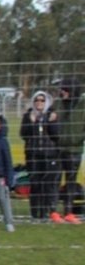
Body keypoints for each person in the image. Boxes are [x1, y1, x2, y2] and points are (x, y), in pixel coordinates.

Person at [20, 90, 60, 222]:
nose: (39, 103)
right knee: (35, 183)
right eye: (37, 100)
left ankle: (45, 211)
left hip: (49, 154)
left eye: (42, 100)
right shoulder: (28, 116)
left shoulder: (51, 115)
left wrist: (52, 122)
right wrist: (31, 123)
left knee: (47, 183)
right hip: (33, 154)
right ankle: (35, 213)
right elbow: (24, 135)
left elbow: (56, 135)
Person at [51, 79, 83, 223]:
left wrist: (78, 138)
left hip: (75, 150)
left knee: (71, 181)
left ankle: (69, 212)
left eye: (64, 89)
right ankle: (53, 211)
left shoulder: (82, 106)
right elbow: (49, 123)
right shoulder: (57, 104)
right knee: (55, 180)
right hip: (58, 149)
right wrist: (56, 137)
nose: (61, 92)